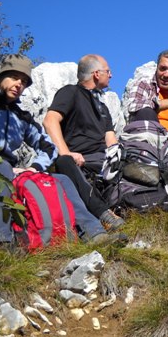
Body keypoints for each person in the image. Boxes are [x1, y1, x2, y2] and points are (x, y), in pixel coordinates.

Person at [0, 55, 120, 245]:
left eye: (23, 82)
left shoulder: (21, 116)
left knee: (62, 180)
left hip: (9, 169)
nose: (18, 84)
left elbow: (47, 146)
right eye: (14, 77)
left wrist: (34, 168)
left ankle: (93, 233)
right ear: (0, 78)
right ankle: (3, 243)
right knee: (1, 168)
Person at [43, 54, 125, 231]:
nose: (110, 75)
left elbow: (110, 138)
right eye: (108, 71)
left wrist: (118, 156)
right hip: (81, 161)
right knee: (63, 161)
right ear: (96, 74)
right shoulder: (70, 92)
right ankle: (103, 214)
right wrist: (66, 153)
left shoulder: (102, 106)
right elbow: (50, 121)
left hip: (103, 161)